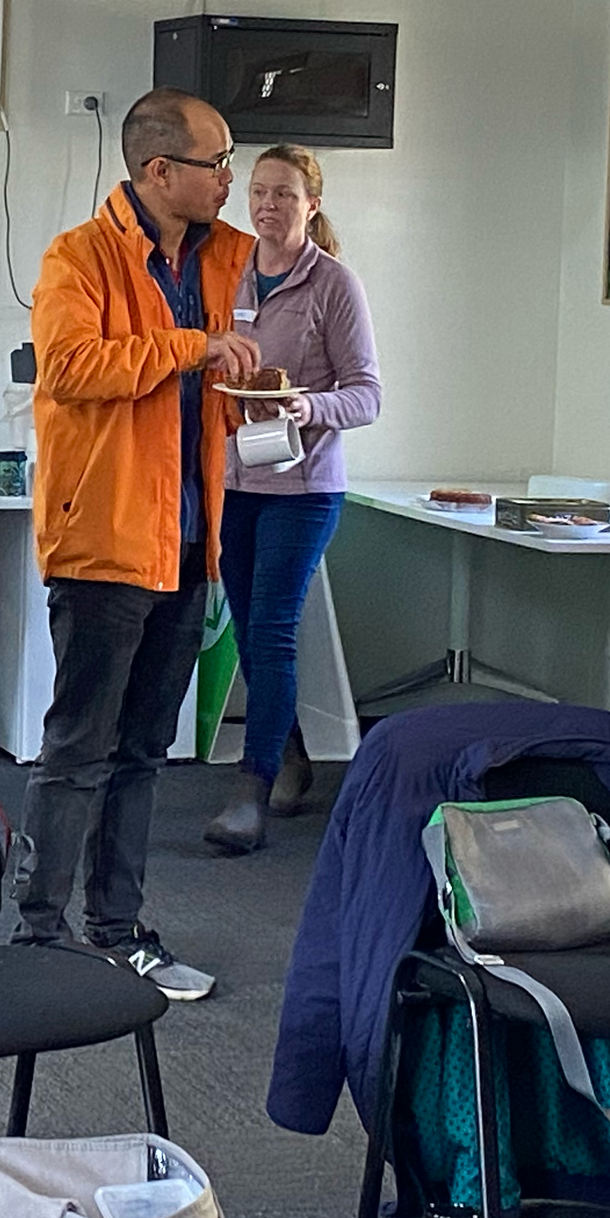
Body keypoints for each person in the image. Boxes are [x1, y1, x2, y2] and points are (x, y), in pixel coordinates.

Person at [12, 89, 257, 998]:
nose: (229, 179)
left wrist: (261, 386)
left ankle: (118, 930)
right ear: (161, 171)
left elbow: (210, 378)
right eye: (215, 161)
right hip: (104, 542)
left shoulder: (224, 259)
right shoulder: (77, 256)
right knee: (78, 747)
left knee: (145, 751)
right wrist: (193, 346)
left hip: (189, 540)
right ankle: (38, 935)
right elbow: (72, 366)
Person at [203, 145, 380, 855]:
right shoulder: (230, 270)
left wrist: (307, 405)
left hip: (303, 487)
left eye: (284, 194)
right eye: (259, 192)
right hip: (234, 478)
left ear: (312, 204)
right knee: (249, 629)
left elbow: (367, 392)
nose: (268, 205)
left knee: (273, 628)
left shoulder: (334, 284)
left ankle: (250, 788)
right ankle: (292, 752)